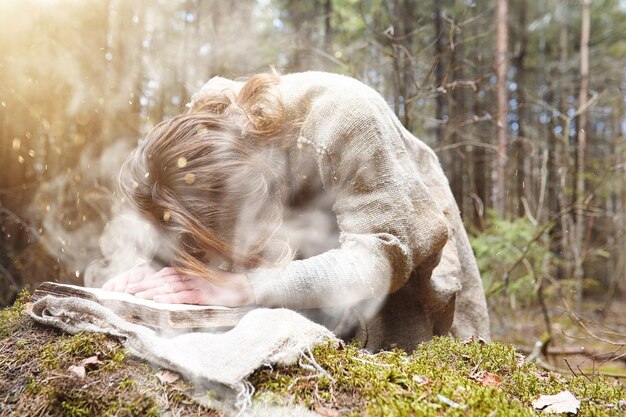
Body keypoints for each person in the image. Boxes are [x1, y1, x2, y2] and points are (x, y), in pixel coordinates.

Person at [103, 71, 490, 351]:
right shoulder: (203, 132)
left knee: (407, 346)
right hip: (312, 228)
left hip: (399, 229)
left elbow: (378, 262)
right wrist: (150, 271)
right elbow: (179, 210)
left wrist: (247, 285)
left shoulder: (347, 116)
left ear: (252, 192)